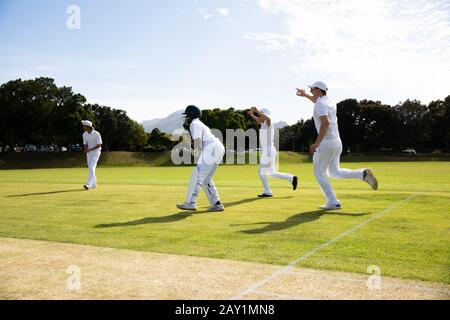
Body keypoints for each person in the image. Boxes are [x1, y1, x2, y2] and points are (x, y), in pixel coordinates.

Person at [296, 81, 378, 210]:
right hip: (336, 142)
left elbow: (325, 122)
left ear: (319, 90)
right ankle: (362, 174)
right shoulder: (328, 101)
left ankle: (333, 201)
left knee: (319, 174)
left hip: (325, 144)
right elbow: (318, 103)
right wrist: (306, 95)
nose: (311, 90)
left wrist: (317, 143)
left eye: (312, 89)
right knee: (334, 173)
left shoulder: (320, 104)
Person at [176, 105, 226, 212]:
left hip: (212, 148)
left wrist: (190, 150)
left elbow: (198, 144)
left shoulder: (194, 124)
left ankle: (190, 202)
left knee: (197, 174)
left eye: (187, 115)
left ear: (192, 115)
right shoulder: (199, 124)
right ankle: (217, 204)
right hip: (218, 148)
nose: (186, 118)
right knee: (206, 179)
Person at [247, 107, 298, 197]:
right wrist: (252, 115)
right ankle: (292, 178)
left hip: (268, 150)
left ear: (265, 115)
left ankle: (268, 191)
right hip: (269, 150)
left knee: (261, 172)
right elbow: (258, 120)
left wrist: (257, 111)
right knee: (272, 173)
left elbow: (268, 118)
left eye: (261, 114)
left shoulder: (269, 122)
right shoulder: (263, 123)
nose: (259, 116)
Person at [81, 120, 102, 190]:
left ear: (88, 127)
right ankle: (94, 184)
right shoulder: (84, 134)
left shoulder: (97, 134)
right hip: (89, 153)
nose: (83, 127)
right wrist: (86, 149)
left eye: (84, 126)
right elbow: (85, 144)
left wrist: (90, 149)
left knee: (91, 167)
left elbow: (99, 145)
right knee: (91, 168)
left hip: (96, 152)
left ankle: (88, 184)